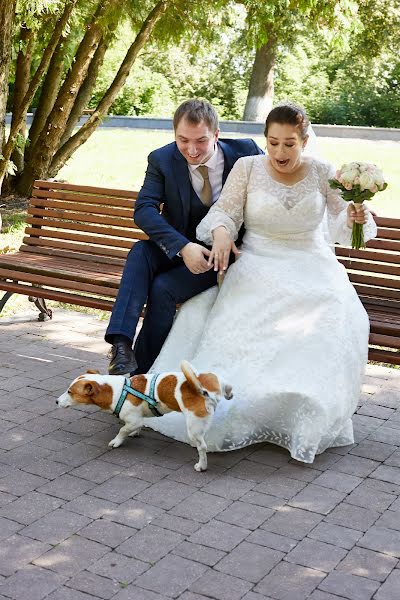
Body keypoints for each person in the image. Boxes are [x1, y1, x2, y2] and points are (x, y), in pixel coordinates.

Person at [144, 101, 378, 464]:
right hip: (257, 261)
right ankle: (230, 404)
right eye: (272, 142)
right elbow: (224, 210)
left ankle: (304, 406)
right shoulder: (248, 167)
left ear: (305, 140)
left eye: (289, 144)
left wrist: (355, 214)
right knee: (246, 309)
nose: (279, 152)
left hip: (311, 263)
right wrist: (221, 232)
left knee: (331, 307)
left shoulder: (322, 172)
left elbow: (341, 226)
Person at [105, 99, 263, 375]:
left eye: (201, 141)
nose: (192, 150)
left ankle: (138, 374)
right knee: (140, 252)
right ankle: (121, 344)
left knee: (163, 288)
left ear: (216, 134)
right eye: (183, 140)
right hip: (179, 248)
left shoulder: (246, 154)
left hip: (220, 255)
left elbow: (279, 180)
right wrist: (182, 247)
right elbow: (144, 210)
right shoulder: (162, 159)